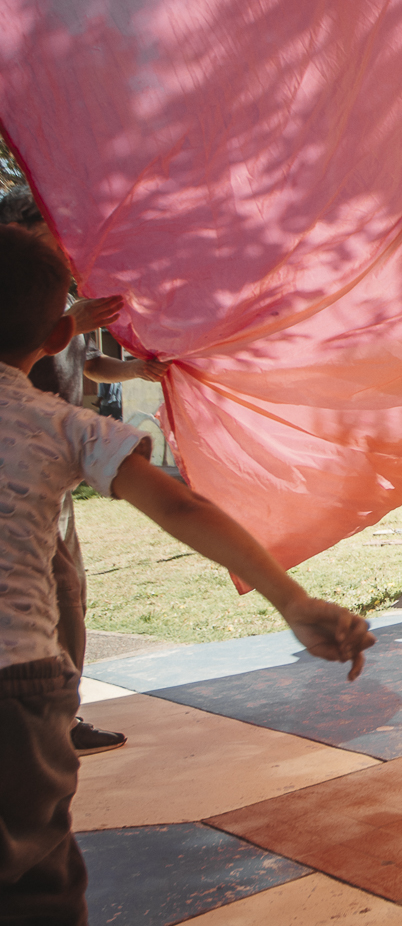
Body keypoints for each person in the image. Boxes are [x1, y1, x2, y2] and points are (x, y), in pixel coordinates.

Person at [0, 225, 375, 926]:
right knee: (32, 886)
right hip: (16, 691)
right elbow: (178, 504)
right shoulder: (63, 426)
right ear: (57, 336)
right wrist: (292, 600)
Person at [1, 186, 170, 755]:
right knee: (61, 588)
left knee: (69, 587)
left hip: (62, 461)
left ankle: (60, 713)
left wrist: (135, 370)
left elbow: (88, 364)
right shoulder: (22, 294)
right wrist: (69, 319)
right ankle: (58, 719)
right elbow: (31, 343)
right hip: (27, 459)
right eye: (52, 238)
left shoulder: (65, 297)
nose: (65, 252)